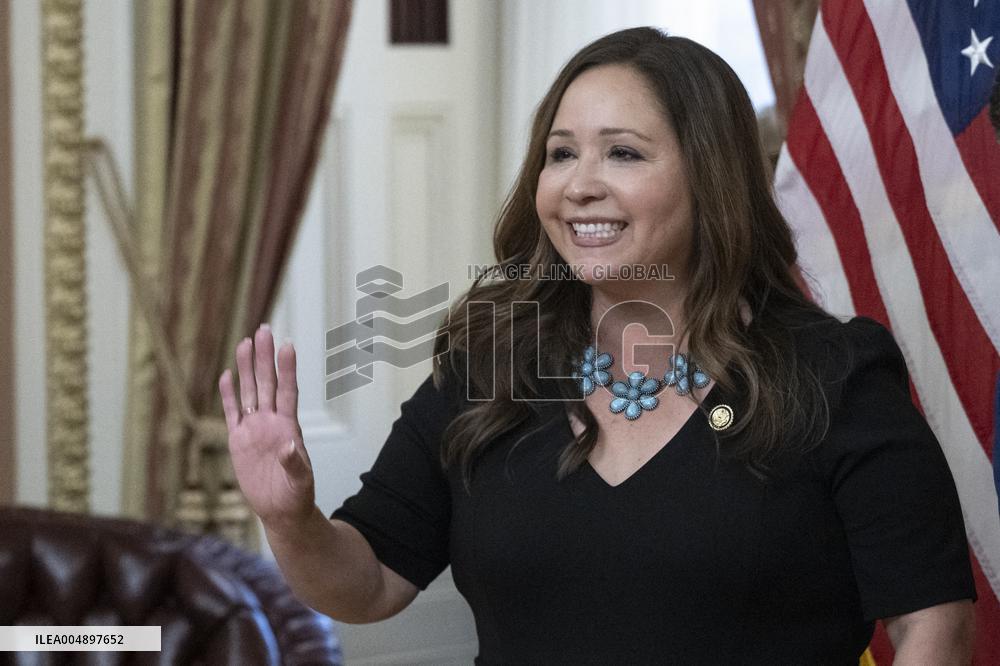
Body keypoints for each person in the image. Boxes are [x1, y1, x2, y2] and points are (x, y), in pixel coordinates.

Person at [219, 27, 977, 664]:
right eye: (559, 153)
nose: (578, 185)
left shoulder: (833, 375)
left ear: (710, 177)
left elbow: (930, 622)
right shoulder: (490, 369)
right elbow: (372, 580)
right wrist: (292, 519)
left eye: (623, 153)